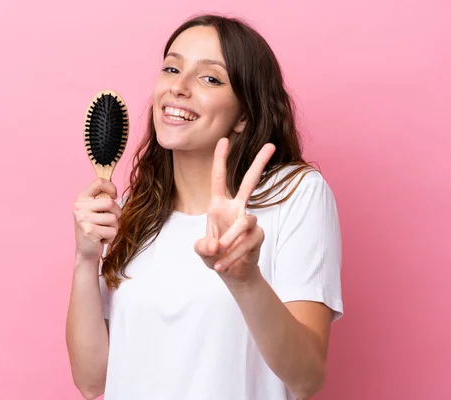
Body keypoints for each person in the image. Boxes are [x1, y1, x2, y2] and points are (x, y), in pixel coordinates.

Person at [66, 13, 343, 400]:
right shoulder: (131, 210)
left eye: (209, 77)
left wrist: (244, 279)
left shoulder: (295, 194)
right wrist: (85, 259)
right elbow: (93, 381)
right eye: (171, 68)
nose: (178, 87)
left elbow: (307, 377)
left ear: (244, 115)